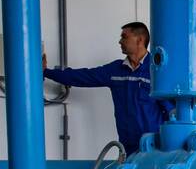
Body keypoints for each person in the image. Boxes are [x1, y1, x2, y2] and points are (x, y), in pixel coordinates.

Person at [42, 22, 169, 154]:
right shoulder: (115, 70)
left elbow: (171, 111)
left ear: (140, 40)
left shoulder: (156, 71)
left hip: (153, 148)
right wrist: (47, 72)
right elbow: (83, 76)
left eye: (124, 37)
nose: (120, 41)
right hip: (127, 147)